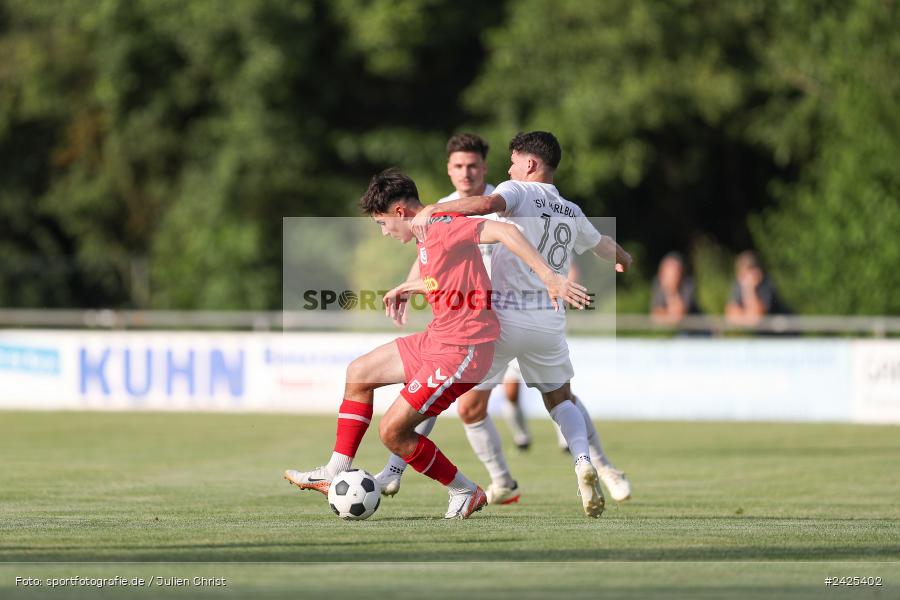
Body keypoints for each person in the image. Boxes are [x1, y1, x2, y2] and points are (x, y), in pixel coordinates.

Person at [283, 168, 588, 519]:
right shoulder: (425, 234)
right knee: (359, 372)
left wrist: (550, 277)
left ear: (399, 212)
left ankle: (464, 490)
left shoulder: (440, 224)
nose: (384, 233)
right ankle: (336, 469)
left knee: (393, 431)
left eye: (382, 224)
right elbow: (450, 279)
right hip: (438, 338)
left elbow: (504, 230)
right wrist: (408, 288)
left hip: (463, 349)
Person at [407, 131, 633, 517]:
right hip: (548, 324)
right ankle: (582, 461)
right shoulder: (571, 209)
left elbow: (485, 203)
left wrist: (434, 210)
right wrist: (624, 258)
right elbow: (602, 246)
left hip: (503, 321)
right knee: (561, 400)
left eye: (513, 161)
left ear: (529, 164)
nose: (508, 168)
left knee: (442, 385)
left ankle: (395, 467)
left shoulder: (519, 190)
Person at [374, 134, 531, 508]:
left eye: (472, 165)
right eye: (458, 166)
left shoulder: (502, 201)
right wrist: (410, 288)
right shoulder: (436, 209)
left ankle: (591, 461)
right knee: (456, 402)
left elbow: (524, 236)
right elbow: (426, 258)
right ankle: (501, 481)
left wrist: (550, 277)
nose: (466, 172)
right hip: (466, 321)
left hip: (505, 315)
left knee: (552, 393)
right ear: (449, 169)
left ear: (484, 168)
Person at [725, 250, 787, 326]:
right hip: (762, 332)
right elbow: (731, 315)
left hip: (784, 330)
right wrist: (747, 317)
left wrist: (749, 288)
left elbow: (757, 316)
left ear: (756, 272)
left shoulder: (766, 284)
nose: (743, 277)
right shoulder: (739, 283)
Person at [650, 252, 701, 324]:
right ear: (661, 273)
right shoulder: (658, 283)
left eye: (675, 273)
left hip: (695, 328)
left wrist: (671, 291)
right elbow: (655, 316)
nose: (673, 276)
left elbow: (679, 315)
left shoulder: (688, 284)